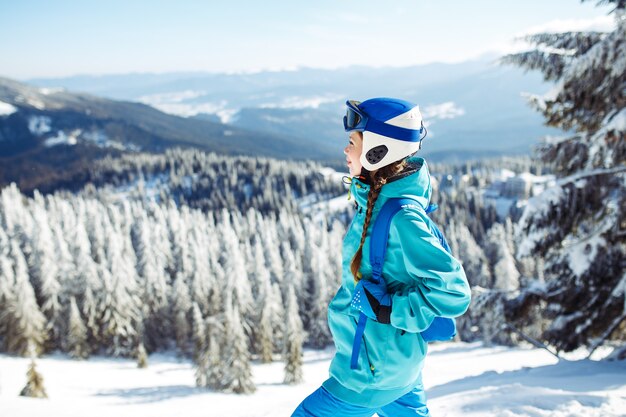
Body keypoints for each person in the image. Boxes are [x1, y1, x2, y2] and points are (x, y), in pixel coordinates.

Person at [291, 98, 471, 417]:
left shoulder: (402, 217)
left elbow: (454, 292)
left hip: (372, 373)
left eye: (352, 142)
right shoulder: (374, 203)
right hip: (393, 363)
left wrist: (391, 310)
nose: (345, 151)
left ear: (378, 150)